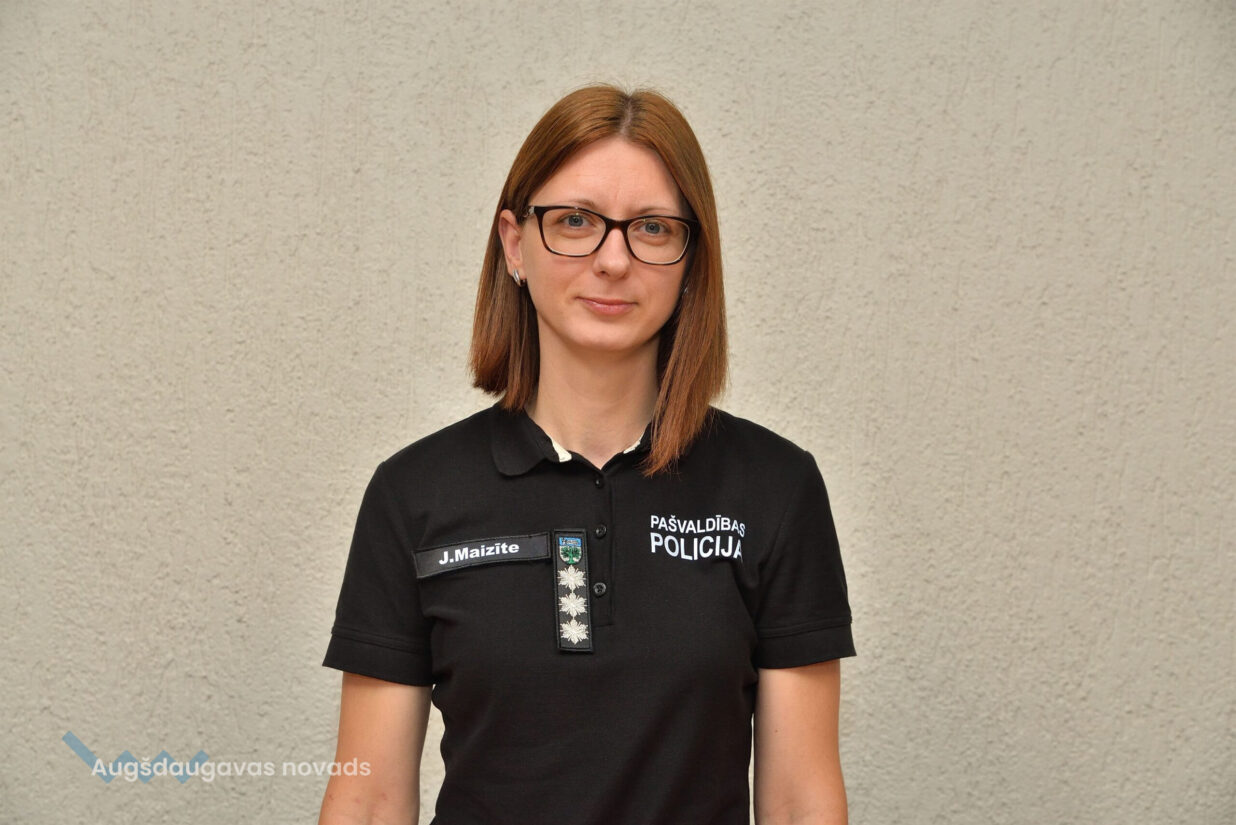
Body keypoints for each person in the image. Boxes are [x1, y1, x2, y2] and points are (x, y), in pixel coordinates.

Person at [318, 84, 855, 825]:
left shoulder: (775, 488)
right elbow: (370, 801)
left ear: (692, 259)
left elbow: (800, 804)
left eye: (653, 228)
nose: (613, 260)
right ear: (515, 243)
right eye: (575, 221)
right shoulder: (414, 494)